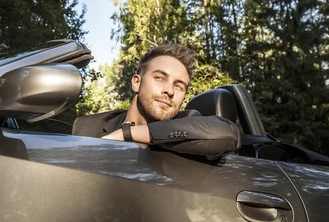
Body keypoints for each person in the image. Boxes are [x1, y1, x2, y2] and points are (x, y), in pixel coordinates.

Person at [72, 44, 240, 159]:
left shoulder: (189, 127)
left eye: (179, 86)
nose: (170, 90)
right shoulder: (88, 127)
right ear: (136, 82)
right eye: (159, 78)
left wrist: (127, 134)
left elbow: (228, 135)